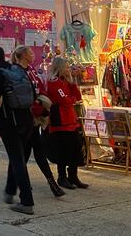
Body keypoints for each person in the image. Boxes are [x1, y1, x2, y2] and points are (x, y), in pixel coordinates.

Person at [0, 45, 36, 215]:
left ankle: (27, 201)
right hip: (26, 119)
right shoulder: (17, 69)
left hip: (9, 121)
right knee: (16, 155)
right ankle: (9, 191)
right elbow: (33, 94)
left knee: (17, 158)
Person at [11, 47, 65, 198]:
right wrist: (38, 109)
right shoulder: (17, 72)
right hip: (26, 118)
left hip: (34, 120)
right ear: (23, 56)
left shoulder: (32, 71)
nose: (33, 55)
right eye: (30, 53)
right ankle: (22, 184)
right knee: (26, 153)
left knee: (33, 152)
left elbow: (39, 88)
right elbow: (23, 96)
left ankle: (45, 183)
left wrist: (44, 103)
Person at [45, 57, 89, 190]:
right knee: (63, 150)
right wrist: (72, 99)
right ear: (60, 68)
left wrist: (72, 83)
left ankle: (73, 176)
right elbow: (64, 100)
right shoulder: (54, 82)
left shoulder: (66, 81)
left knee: (75, 148)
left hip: (71, 119)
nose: (68, 70)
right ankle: (62, 177)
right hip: (60, 120)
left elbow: (77, 97)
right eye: (66, 67)